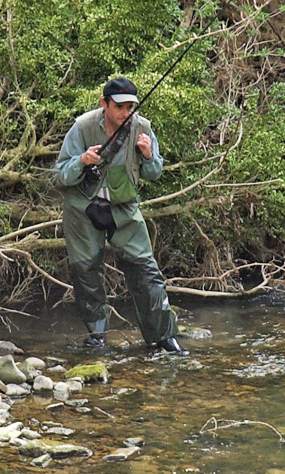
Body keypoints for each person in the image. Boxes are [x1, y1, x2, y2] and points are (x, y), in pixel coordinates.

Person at [53, 76, 188, 355]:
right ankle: (97, 335)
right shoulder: (83, 127)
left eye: (131, 107)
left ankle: (162, 336)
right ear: (104, 104)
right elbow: (61, 175)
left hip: (124, 208)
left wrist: (149, 155)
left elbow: (154, 173)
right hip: (82, 207)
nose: (126, 113)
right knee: (85, 270)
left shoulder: (144, 129)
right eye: (120, 107)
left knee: (145, 270)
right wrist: (81, 161)